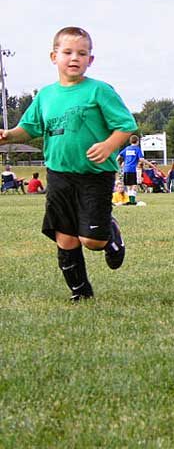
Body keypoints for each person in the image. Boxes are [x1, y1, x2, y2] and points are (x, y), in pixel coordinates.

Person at [0, 26, 134, 301]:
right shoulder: (46, 95)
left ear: (90, 60)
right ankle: (80, 293)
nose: (75, 58)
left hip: (95, 174)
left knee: (92, 241)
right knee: (65, 236)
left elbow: (125, 126)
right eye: (68, 52)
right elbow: (29, 127)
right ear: (54, 56)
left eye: (82, 53)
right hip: (59, 173)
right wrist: (7, 136)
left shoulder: (99, 91)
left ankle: (110, 232)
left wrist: (109, 145)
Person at [117, 134, 144, 205]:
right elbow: (141, 159)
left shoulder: (127, 148)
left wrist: (116, 163)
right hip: (132, 169)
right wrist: (148, 163)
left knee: (128, 186)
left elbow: (119, 156)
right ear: (137, 141)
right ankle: (132, 201)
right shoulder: (137, 149)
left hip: (126, 169)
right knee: (134, 185)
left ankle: (129, 201)